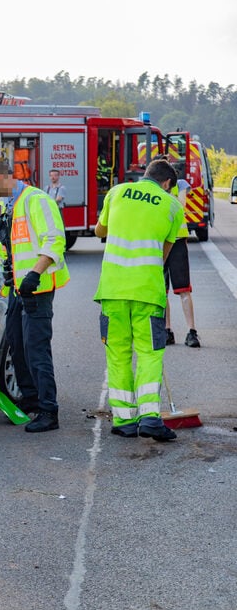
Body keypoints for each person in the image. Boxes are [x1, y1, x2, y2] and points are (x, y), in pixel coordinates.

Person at [0, 157, 69, 433]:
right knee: (16, 341)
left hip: (37, 288)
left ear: (1, 179)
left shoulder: (36, 200)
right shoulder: (9, 205)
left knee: (36, 348)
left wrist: (35, 274)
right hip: (17, 287)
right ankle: (31, 399)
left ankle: (49, 410)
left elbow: (55, 240)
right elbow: (9, 248)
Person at [93, 158, 184, 441]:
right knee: (149, 354)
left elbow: (100, 231)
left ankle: (124, 420)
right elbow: (164, 253)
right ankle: (150, 419)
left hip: (112, 290)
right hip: (146, 290)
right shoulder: (172, 206)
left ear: (146, 175)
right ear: (167, 183)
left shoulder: (116, 192)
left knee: (118, 354)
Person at [164, 161, 200, 348]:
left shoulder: (180, 185)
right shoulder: (155, 188)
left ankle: (191, 331)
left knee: (183, 288)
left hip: (177, 241)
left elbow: (181, 205)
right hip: (159, 241)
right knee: (161, 291)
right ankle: (167, 330)